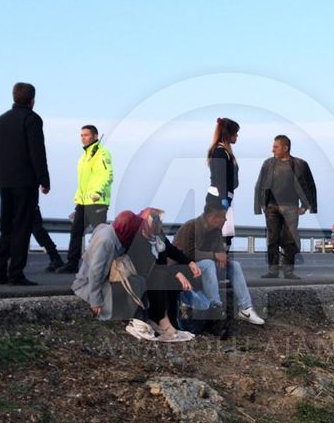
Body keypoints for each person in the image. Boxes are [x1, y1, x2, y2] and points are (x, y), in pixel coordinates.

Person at [71, 209, 199, 342]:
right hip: (93, 283)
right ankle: (149, 322)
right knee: (149, 280)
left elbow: (170, 250)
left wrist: (188, 263)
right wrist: (96, 301)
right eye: (154, 221)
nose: (159, 224)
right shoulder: (113, 240)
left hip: (121, 276)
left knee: (159, 279)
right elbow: (95, 272)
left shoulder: (131, 235)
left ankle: (166, 321)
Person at [0, 82, 50, 286]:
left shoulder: (0, 121)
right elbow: (37, 152)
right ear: (32, 100)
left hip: (4, 180)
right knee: (22, 228)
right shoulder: (32, 119)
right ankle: (15, 273)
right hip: (25, 181)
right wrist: (44, 179)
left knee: (6, 227)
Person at [173, 201, 265, 325]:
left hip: (206, 269)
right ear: (212, 217)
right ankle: (215, 308)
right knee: (208, 263)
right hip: (185, 269)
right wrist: (214, 255)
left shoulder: (216, 230)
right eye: (223, 216)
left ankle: (245, 308)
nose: (225, 219)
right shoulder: (190, 227)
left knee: (234, 266)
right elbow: (187, 254)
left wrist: (224, 257)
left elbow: (220, 251)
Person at [253, 135, 317, 279]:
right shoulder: (268, 163)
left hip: (291, 207)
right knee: (272, 239)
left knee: (290, 239)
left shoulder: (300, 164)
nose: (272, 150)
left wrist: (306, 206)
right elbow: (259, 184)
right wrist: (261, 205)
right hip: (271, 207)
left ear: (285, 148)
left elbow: (309, 185)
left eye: (276, 147)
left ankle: (288, 271)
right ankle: (273, 271)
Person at [56, 125, 113, 273]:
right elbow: (84, 181)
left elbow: (107, 175)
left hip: (96, 201)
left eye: (86, 135)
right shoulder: (85, 156)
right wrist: (78, 197)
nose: (83, 138)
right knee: (76, 231)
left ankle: (102, 266)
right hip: (83, 202)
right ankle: (72, 264)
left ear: (95, 136)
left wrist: (97, 192)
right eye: (81, 135)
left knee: (99, 236)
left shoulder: (101, 153)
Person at [0, 206, 64, 272]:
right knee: (11, 230)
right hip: (20, 200)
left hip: (28, 199)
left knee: (38, 231)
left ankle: (55, 258)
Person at [207, 118, 240, 248]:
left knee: (226, 236)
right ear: (228, 134)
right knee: (219, 236)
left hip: (225, 197)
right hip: (219, 199)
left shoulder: (226, 152)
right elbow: (220, 177)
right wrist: (223, 198)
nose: (237, 136)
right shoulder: (220, 152)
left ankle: (222, 259)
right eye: (235, 133)